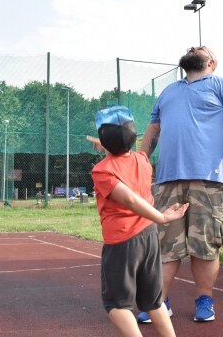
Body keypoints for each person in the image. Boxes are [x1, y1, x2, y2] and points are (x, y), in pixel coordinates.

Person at [138, 46, 223, 324]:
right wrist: (141, 161)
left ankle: (205, 300)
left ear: (211, 62)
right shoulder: (167, 92)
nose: (192, 49)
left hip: (210, 179)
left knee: (206, 244)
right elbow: (153, 129)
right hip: (168, 180)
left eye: (199, 49)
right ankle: (160, 302)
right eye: (191, 47)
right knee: (166, 245)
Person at [89, 105, 189, 337]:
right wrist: (108, 146)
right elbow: (123, 160)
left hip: (123, 241)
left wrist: (161, 216)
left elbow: (131, 200)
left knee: (116, 305)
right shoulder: (143, 160)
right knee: (153, 301)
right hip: (148, 237)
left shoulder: (101, 171)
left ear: (104, 141)